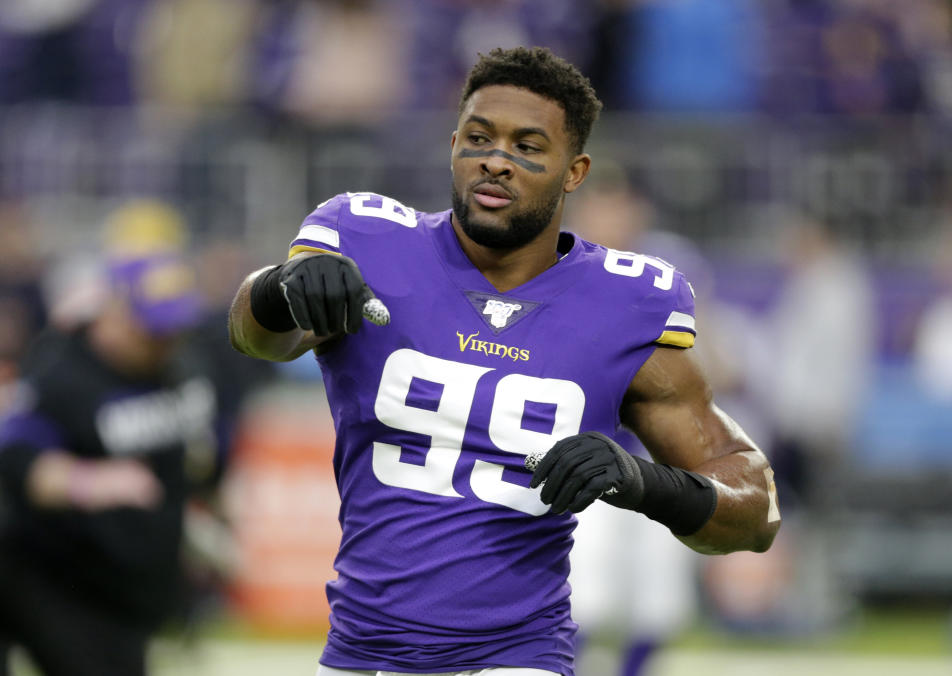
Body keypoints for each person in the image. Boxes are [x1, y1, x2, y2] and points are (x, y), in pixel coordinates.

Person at [228, 46, 780, 676]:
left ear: (574, 172)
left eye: (528, 146)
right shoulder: (367, 239)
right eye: (480, 138)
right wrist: (279, 288)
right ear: (453, 143)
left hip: (515, 656)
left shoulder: (629, 302)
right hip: (360, 651)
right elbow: (255, 335)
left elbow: (755, 509)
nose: (497, 161)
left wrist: (641, 481)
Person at [0, 252, 217, 676]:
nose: (165, 340)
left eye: (174, 329)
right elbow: (16, 457)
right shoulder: (61, 370)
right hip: (53, 578)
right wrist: (86, 481)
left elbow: (198, 458)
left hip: (126, 592)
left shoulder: (181, 370)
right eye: (152, 328)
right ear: (113, 312)